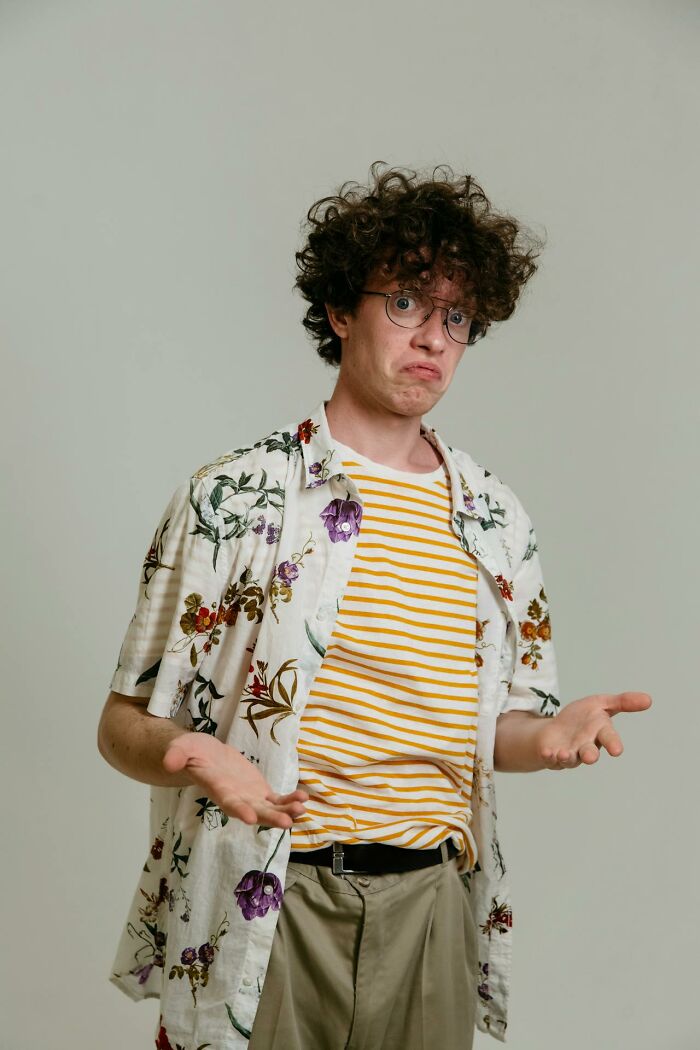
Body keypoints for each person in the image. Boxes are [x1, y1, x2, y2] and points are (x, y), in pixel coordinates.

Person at [97, 163, 651, 1050]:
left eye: (457, 317)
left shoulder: (498, 522)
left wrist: (546, 739)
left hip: (432, 904)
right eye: (405, 303)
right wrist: (193, 751)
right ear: (339, 311)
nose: (432, 337)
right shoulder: (233, 496)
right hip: (273, 895)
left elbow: (494, 731)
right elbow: (122, 723)